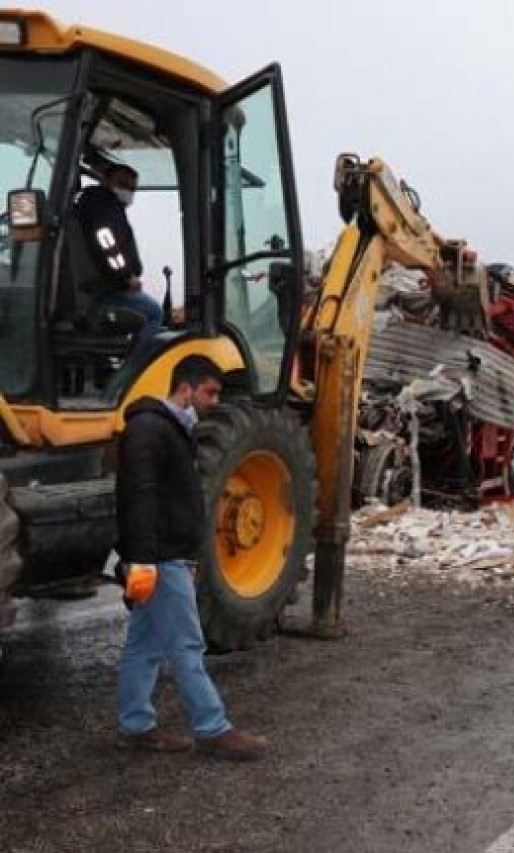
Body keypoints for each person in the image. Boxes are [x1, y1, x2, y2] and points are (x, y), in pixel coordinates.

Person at [115, 354, 267, 760]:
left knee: (145, 644)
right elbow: (139, 498)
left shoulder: (174, 430)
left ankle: (136, 724)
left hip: (167, 555)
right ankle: (212, 728)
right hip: (159, 558)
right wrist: (144, 560)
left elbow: (175, 500)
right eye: (209, 392)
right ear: (185, 388)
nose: (215, 400)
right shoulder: (149, 430)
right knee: (186, 644)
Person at [72, 162, 164, 338]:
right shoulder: (103, 205)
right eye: (122, 184)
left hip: (104, 287)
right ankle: (139, 362)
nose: (128, 191)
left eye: (132, 188)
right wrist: (126, 277)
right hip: (104, 291)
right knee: (154, 314)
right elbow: (107, 244)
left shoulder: (97, 204)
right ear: (105, 180)